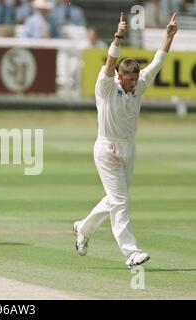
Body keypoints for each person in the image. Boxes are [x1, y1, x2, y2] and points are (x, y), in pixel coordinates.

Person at [73, 12, 178, 268]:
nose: (132, 83)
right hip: (107, 147)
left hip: (129, 147)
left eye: (135, 78)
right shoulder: (106, 86)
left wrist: (168, 36)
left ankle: (82, 229)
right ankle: (131, 252)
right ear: (120, 77)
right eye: (129, 79)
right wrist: (118, 37)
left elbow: (157, 63)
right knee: (121, 201)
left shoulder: (139, 85)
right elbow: (109, 64)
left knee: (114, 199)